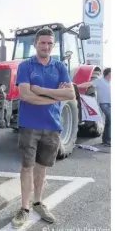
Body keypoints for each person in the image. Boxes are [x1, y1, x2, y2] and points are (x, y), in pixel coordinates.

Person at [11, 28, 75, 228]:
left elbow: (70, 95)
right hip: (29, 125)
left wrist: (39, 90)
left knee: (42, 168)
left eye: (49, 43)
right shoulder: (25, 66)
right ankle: (24, 208)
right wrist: (55, 95)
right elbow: (25, 95)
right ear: (35, 44)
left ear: (53, 45)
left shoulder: (60, 67)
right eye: (42, 43)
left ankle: (38, 202)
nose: (46, 46)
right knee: (27, 167)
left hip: (52, 125)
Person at [77, 67, 111, 146]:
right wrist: (76, 86)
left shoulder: (109, 83)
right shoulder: (100, 81)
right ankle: (108, 141)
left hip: (110, 104)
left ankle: (106, 141)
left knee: (109, 122)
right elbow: (88, 84)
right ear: (108, 74)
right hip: (104, 104)